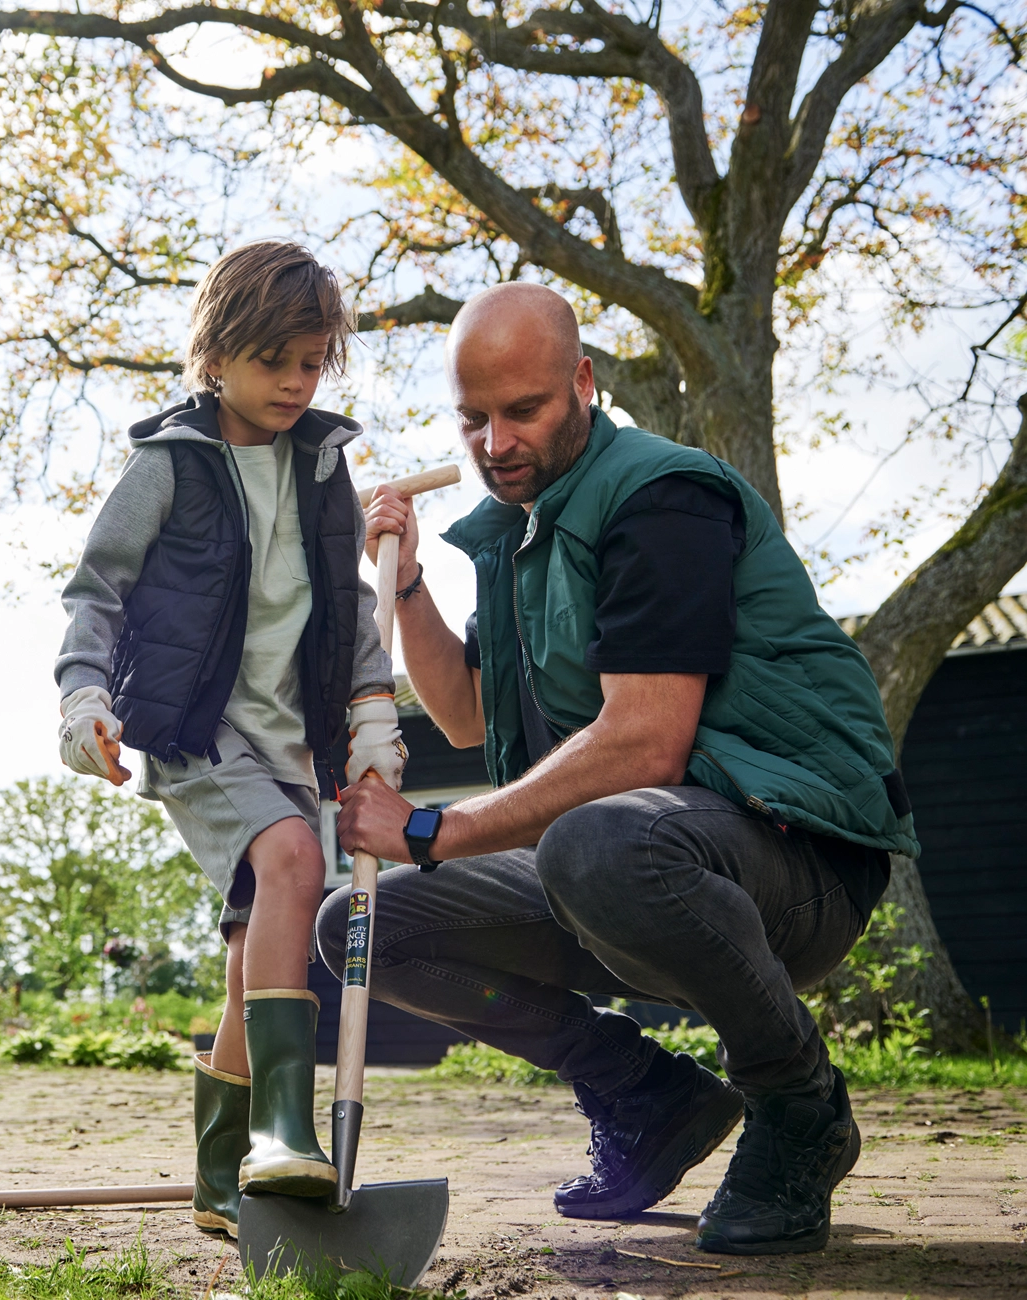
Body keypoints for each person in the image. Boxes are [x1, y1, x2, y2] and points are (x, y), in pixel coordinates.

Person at [316, 282, 918, 1256]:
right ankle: (643, 1095)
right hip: (614, 867)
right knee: (358, 922)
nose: (494, 442)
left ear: (582, 384)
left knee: (595, 839)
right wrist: (410, 578)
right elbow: (467, 716)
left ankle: (796, 1104)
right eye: (472, 420)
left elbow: (645, 740)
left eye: (524, 410)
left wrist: (433, 829)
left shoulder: (659, 497)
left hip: (783, 860)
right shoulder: (517, 534)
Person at [53, 242, 407, 1237]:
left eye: (310, 362)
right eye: (273, 361)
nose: (296, 383)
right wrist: (84, 700)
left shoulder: (322, 468)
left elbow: (347, 606)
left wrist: (373, 710)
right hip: (192, 728)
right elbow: (96, 591)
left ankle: (219, 1181)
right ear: (215, 355)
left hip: (288, 743)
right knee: (293, 859)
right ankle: (284, 1133)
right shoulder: (170, 464)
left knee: (259, 943)